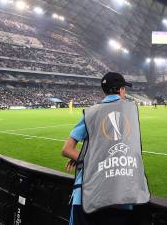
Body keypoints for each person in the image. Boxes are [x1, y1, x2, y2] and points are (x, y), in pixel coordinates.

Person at [61, 72, 150, 225]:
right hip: (120, 196)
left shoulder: (91, 113)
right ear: (121, 90)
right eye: (124, 89)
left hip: (86, 197)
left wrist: (85, 160)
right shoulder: (131, 111)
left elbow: (67, 149)